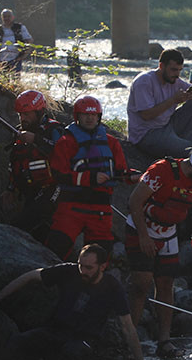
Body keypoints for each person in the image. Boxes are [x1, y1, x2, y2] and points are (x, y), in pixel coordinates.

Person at [0, 244, 156, 360]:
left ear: (103, 266)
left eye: (88, 268)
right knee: (18, 341)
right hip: (56, 330)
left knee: (72, 352)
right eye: (80, 265)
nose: (82, 271)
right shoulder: (69, 271)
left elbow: (128, 326)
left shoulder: (112, 287)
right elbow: (31, 275)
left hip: (85, 339)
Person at [127, 145, 192, 357]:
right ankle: (130, 338)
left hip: (168, 234)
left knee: (166, 285)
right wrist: (144, 236)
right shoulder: (161, 171)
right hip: (141, 228)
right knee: (141, 283)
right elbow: (135, 201)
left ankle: (164, 340)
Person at [45, 95, 131, 260]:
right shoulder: (65, 142)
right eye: (85, 114)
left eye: (93, 115)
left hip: (100, 209)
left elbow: (121, 171)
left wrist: (131, 176)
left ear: (99, 117)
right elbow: (58, 175)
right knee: (56, 248)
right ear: (77, 117)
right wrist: (90, 178)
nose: (90, 118)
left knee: (101, 256)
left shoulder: (111, 143)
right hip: (71, 206)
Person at [127, 48, 192, 159]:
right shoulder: (144, 81)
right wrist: (173, 100)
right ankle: (184, 150)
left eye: (179, 70)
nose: (177, 74)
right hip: (147, 134)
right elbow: (146, 115)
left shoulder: (175, 81)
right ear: (161, 66)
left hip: (167, 127)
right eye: (174, 70)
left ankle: (183, 147)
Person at [6, 90, 65, 243]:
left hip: (53, 189)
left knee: (23, 225)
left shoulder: (54, 130)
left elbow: (63, 154)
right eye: (21, 114)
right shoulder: (19, 133)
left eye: (27, 114)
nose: (23, 118)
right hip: (31, 191)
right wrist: (11, 189)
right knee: (25, 225)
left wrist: (37, 139)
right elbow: (14, 163)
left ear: (39, 112)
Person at [0, 9, 33, 74]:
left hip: (16, 58)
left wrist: (23, 56)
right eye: (4, 17)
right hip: (1, 59)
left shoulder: (20, 28)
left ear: (13, 17)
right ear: (2, 18)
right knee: (3, 80)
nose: (6, 18)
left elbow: (29, 41)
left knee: (15, 80)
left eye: (8, 16)